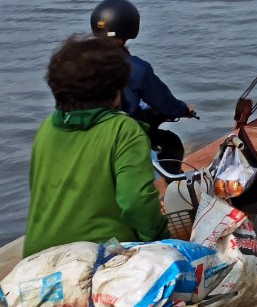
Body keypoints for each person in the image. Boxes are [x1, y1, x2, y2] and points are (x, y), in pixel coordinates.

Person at [25, 35, 167, 256]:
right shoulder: (124, 129)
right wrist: (161, 241)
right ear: (115, 92)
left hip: (38, 255)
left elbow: (38, 189)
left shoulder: (47, 128)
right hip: (102, 255)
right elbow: (136, 201)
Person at [90, 0, 194, 125]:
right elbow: (163, 102)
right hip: (120, 133)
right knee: (169, 140)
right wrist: (184, 110)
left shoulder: (75, 62)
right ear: (131, 26)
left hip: (78, 130)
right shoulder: (137, 68)